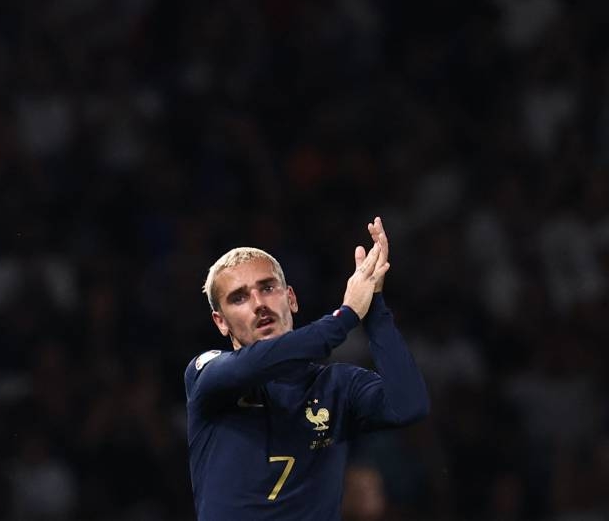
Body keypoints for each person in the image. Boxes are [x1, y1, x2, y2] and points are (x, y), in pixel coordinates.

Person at [184, 217, 430, 520]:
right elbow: (258, 362)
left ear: (292, 299)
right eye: (239, 298)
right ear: (220, 322)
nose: (259, 303)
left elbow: (408, 405)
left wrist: (374, 305)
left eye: (268, 287)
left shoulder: (336, 385)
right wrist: (347, 315)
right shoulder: (207, 374)